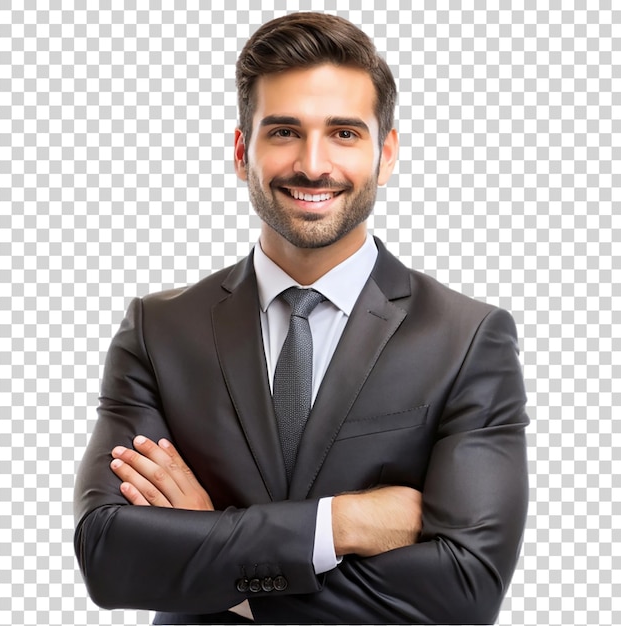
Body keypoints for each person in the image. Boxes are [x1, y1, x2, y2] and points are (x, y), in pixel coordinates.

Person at [74, 12, 529, 625]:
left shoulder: (467, 339)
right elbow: (110, 556)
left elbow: (466, 591)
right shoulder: (160, 331)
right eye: (284, 131)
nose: (313, 165)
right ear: (242, 151)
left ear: (386, 153)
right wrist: (345, 522)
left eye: (344, 133)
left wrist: (210, 553)